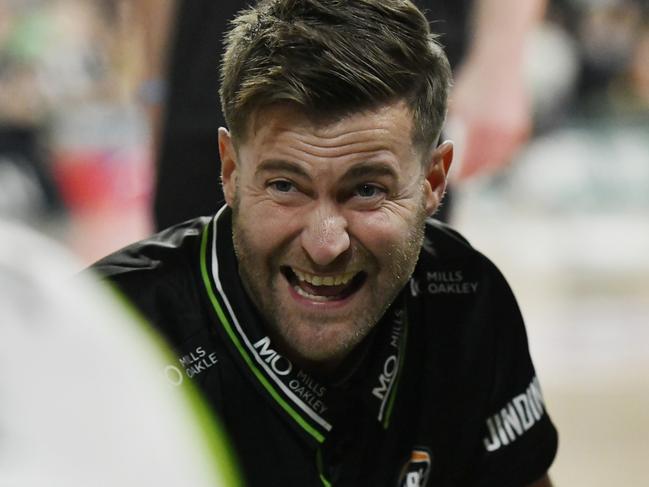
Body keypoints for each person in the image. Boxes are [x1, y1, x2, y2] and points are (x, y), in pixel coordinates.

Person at [91, 1, 557, 485]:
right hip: (201, 68)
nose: (325, 244)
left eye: (367, 190)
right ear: (228, 171)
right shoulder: (110, 335)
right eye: (286, 186)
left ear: (434, 181)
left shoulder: (466, 299)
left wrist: (503, 51)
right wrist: (155, 79)